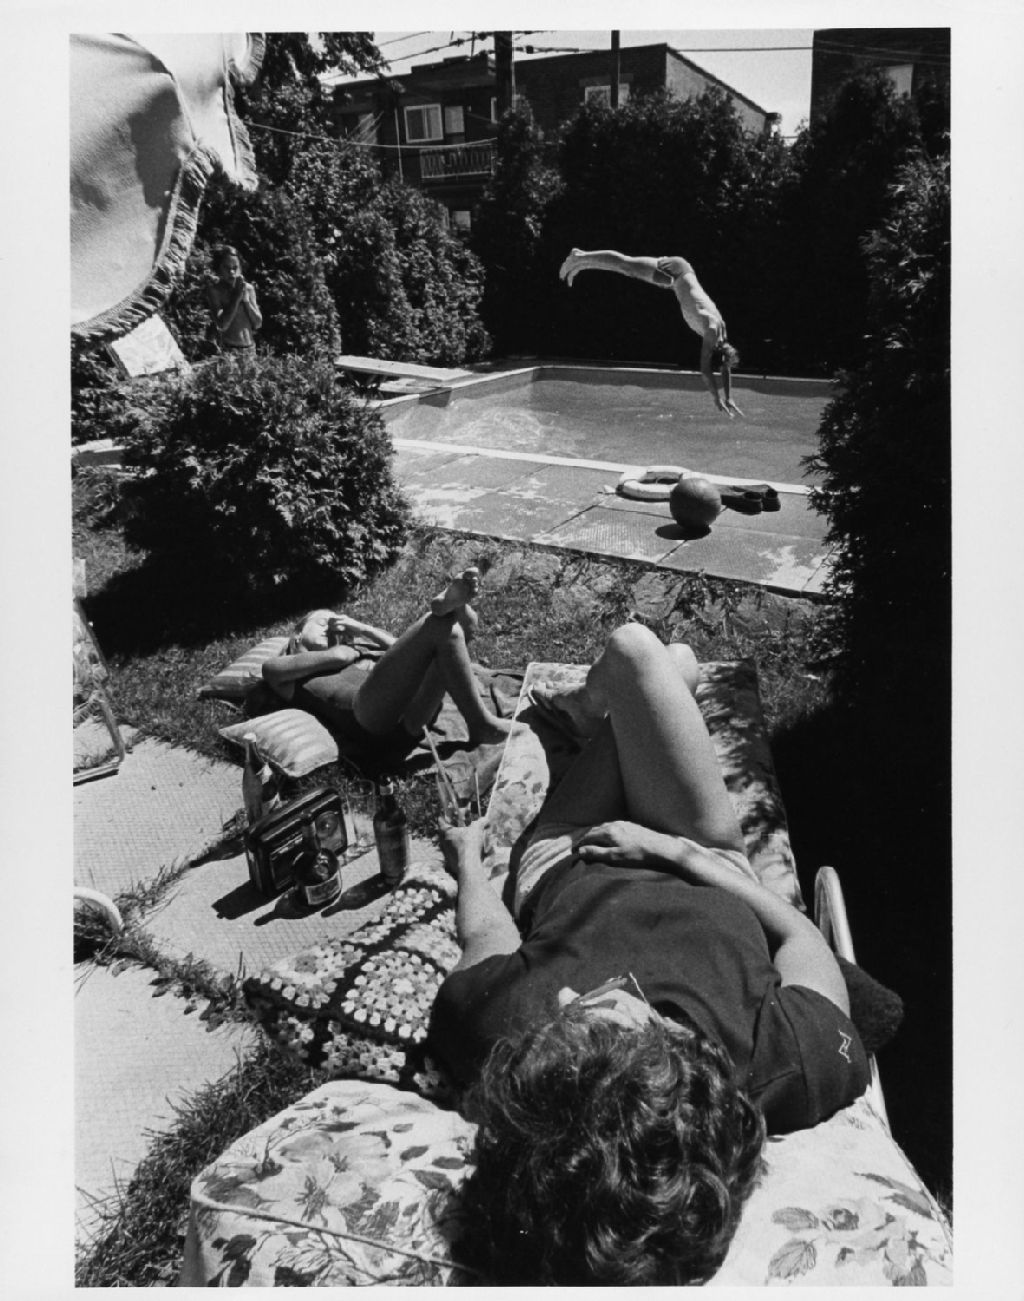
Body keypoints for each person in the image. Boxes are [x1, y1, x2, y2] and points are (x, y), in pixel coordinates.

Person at [428, 622, 869, 1285]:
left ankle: (589, 709)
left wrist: (468, 857)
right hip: (700, 851)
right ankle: (600, 706)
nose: (569, 996)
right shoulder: (787, 1063)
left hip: (572, 848)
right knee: (651, 655)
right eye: (608, 1028)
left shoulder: (506, 1042)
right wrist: (680, 854)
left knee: (657, 661)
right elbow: (804, 939)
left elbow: (486, 937)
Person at [262, 568, 511, 765]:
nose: (331, 627)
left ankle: (456, 605)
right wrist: (344, 651)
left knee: (456, 630)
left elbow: (405, 647)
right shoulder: (288, 666)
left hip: (412, 717)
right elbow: (273, 670)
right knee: (437, 625)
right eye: (322, 623)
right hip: (367, 721)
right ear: (297, 635)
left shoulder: (355, 651)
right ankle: (481, 724)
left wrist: (362, 629)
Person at [559, 247, 744, 417]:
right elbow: (705, 370)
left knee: (627, 268)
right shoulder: (712, 329)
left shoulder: (722, 336)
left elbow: (724, 366)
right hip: (675, 271)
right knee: (626, 265)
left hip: (675, 279)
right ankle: (580, 256)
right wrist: (716, 397)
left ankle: (581, 264)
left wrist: (729, 397)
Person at [206, 244, 262, 356]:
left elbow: (258, 323)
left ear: (240, 268)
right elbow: (222, 325)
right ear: (219, 268)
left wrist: (246, 302)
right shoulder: (216, 291)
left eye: (235, 268)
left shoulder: (248, 289)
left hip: (250, 349)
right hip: (229, 350)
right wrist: (236, 297)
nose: (231, 272)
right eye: (226, 268)